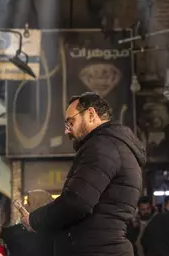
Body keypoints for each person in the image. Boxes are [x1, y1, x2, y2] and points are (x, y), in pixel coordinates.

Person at [21, 92, 147, 256]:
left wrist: (34, 220)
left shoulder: (102, 146)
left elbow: (76, 202)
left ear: (90, 114)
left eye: (70, 122)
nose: (67, 131)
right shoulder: (114, 145)